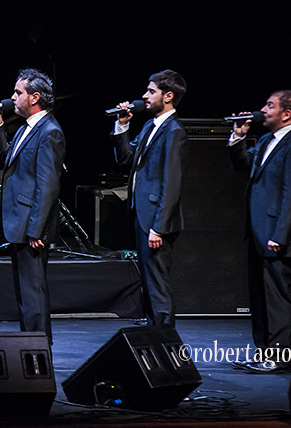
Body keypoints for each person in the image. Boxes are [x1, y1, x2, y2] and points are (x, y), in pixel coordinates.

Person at [228, 90, 291, 374]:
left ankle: (279, 357)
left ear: (286, 114)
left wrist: (280, 233)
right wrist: (238, 137)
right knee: (260, 297)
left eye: (270, 106)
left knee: (277, 297)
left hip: (276, 235)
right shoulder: (266, 140)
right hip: (257, 231)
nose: (263, 110)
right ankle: (264, 353)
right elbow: (243, 165)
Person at [0, 68, 66, 345]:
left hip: (32, 226)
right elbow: (7, 161)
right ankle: (30, 347)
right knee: (24, 292)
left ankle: (39, 347)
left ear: (35, 98)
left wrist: (37, 230)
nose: (12, 98)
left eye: (18, 93)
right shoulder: (24, 129)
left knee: (33, 292)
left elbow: (48, 186)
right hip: (19, 222)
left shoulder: (49, 132)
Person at [109, 69, 189, 327]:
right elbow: (126, 159)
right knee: (149, 281)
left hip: (156, 221)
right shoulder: (149, 126)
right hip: (143, 215)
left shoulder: (174, 131)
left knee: (157, 282)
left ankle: (165, 340)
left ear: (168, 96)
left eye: (151, 91)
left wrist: (159, 227)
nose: (144, 96)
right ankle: (154, 334)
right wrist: (122, 125)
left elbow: (172, 182)